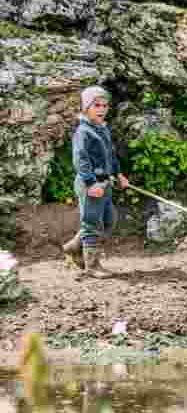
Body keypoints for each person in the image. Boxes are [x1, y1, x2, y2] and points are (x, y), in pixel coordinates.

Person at [62, 86, 129, 278]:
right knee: (91, 223)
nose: (101, 109)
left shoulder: (102, 129)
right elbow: (80, 159)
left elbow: (111, 155)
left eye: (105, 105)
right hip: (90, 186)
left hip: (105, 184)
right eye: (96, 105)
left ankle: (74, 247)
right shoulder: (83, 132)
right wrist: (91, 183)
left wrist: (119, 174)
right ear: (86, 108)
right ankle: (91, 265)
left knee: (109, 220)